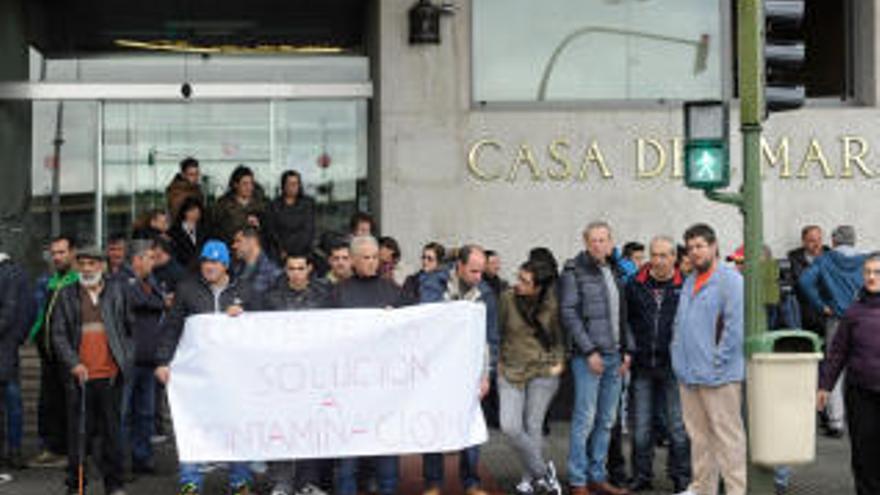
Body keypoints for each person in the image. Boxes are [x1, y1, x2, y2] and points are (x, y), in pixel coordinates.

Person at [154, 240, 253, 495]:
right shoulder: (187, 289)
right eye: (205, 262)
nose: (209, 267)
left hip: (234, 374)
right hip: (197, 373)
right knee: (192, 424)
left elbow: (259, 329)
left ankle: (239, 481)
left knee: (237, 425)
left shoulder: (244, 290)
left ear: (226, 265)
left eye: (215, 262)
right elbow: (172, 327)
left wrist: (245, 315)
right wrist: (163, 361)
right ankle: (190, 481)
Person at [671, 223, 745, 495]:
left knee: (728, 440)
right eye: (690, 248)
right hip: (689, 375)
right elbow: (680, 325)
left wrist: (718, 364)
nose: (694, 252)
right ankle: (703, 489)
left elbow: (735, 328)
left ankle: (737, 490)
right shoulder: (690, 280)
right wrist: (677, 359)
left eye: (700, 246)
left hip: (719, 377)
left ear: (714, 246)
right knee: (699, 440)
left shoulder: (731, 280)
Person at [51, 246, 133, 495]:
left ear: (102, 266)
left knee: (112, 435)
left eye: (92, 264)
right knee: (78, 436)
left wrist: (125, 361)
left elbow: (130, 330)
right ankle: (76, 486)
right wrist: (73, 363)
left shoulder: (118, 291)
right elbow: (59, 335)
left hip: (110, 377)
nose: (87, 269)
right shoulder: (66, 294)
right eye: (82, 264)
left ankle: (114, 484)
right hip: (80, 377)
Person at [420, 244, 498, 495]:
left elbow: (491, 337)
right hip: (437, 366)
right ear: (459, 266)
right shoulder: (434, 283)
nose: (478, 277)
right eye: (473, 271)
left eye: (481, 272)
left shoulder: (485, 292)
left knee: (470, 426)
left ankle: (472, 483)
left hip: (471, 368)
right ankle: (433, 484)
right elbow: (428, 317)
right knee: (434, 425)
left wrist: (487, 374)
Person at [561, 221, 632, 495]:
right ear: (585, 242)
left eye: (604, 240)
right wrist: (589, 351)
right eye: (594, 240)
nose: (599, 245)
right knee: (585, 419)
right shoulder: (573, 271)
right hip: (588, 358)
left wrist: (627, 350)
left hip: (616, 357)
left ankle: (597, 476)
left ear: (611, 242)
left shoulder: (614, 270)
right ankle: (578, 480)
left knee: (606, 421)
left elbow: (623, 315)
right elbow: (568, 314)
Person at [331, 236, 404, 495]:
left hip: (384, 389)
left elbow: (412, 335)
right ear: (352, 260)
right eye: (366, 257)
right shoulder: (338, 293)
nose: (373, 262)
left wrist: (394, 323)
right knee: (348, 463)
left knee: (387, 462)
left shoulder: (394, 291)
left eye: (376, 257)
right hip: (349, 389)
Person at [625, 236, 690, 493]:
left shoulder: (685, 286)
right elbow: (626, 322)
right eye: (655, 255)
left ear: (674, 258)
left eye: (665, 255)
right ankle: (642, 476)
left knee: (677, 427)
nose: (659, 261)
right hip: (642, 365)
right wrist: (630, 349)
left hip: (674, 367)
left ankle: (681, 477)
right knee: (641, 429)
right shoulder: (634, 285)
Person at [264, 253, 329, 495]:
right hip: (281, 374)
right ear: (285, 269)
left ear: (309, 269)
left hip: (313, 374)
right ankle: (281, 483)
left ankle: (307, 483)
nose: (296, 273)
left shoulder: (324, 297)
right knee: (281, 427)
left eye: (301, 268)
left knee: (310, 428)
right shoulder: (271, 298)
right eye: (291, 268)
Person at [498, 259, 565, 495]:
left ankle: (529, 480)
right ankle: (543, 473)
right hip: (511, 369)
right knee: (509, 426)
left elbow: (559, 340)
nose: (519, 284)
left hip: (542, 371)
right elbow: (497, 331)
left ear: (539, 287)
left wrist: (558, 363)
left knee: (533, 424)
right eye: (519, 277)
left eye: (525, 282)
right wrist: (498, 360)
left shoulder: (552, 305)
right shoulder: (507, 298)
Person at [817, 252, 880, 495]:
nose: (871, 277)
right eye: (868, 272)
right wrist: (825, 386)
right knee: (863, 454)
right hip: (860, 393)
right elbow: (838, 353)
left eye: (877, 272)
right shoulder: (854, 311)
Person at [799, 225, 867, 437]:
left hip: (837, 319)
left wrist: (821, 305)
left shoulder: (825, 260)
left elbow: (804, 282)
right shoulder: (866, 260)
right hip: (862, 318)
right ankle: (862, 419)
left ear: (834, 241)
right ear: (854, 241)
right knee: (863, 368)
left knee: (834, 369)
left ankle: (836, 422)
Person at [28, 235, 79, 468]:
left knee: (69, 404)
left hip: (69, 354)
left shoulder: (77, 280)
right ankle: (54, 447)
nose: (56, 257)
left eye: (61, 252)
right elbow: (43, 314)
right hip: (49, 354)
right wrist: (34, 334)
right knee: (50, 403)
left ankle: (72, 451)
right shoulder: (52, 281)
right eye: (54, 253)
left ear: (72, 253)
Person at [121, 240, 164, 475]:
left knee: (145, 414)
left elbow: (158, 302)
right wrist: (156, 301)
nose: (153, 261)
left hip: (149, 359)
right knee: (123, 414)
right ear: (137, 259)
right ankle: (121, 463)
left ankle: (142, 459)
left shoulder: (150, 281)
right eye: (149, 257)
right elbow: (140, 301)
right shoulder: (120, 280)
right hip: (128, 360)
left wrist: (156, 301)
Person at [0, 251, 33, 485]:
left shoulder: (7, 274)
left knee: (11, 402)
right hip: (9, 347)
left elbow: (8, 314)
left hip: (4, 347)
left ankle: (12, 451)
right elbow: (26, 311)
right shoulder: (17, 272)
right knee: (12, 402)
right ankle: (14, 450)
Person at [265, 170, 316, 263]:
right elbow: (272, 231)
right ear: (284, 186)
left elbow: (308, 229)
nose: (294, 187)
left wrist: (297, 252)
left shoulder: (307, 203)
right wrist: (282, 249)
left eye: (296, 184)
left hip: (303, 252)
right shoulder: (274, 205)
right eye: (291, 184)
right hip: (281, 253)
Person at [787, 225, 830, 336]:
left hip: (826, 310)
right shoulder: (794, 258)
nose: (817, 244)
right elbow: (797, 284)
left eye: (819, 240)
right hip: (804, 311)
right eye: (812, 241)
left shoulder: (830, 255)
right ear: (804, 242)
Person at [212, 165, 267, 245]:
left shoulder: (261, 204)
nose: (249, 187)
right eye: (245, 184)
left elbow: (268, 231)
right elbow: (215, 230)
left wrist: (259, 226)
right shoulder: (223, 204)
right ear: (235, 185)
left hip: (254, 250)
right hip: (230, 249)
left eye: (251, 183)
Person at [231, 226, 283, 308]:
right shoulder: (236, 270)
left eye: (238, 241)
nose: (234, 246)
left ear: (252, 241)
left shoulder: (273, 273)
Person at [168, 196, 206, 271]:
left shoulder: (204, 229)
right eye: (192, 210)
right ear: (184, 212)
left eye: (197, 211)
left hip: (201, 269)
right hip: (182, 269)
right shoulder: (174, 232)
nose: (195, 213)